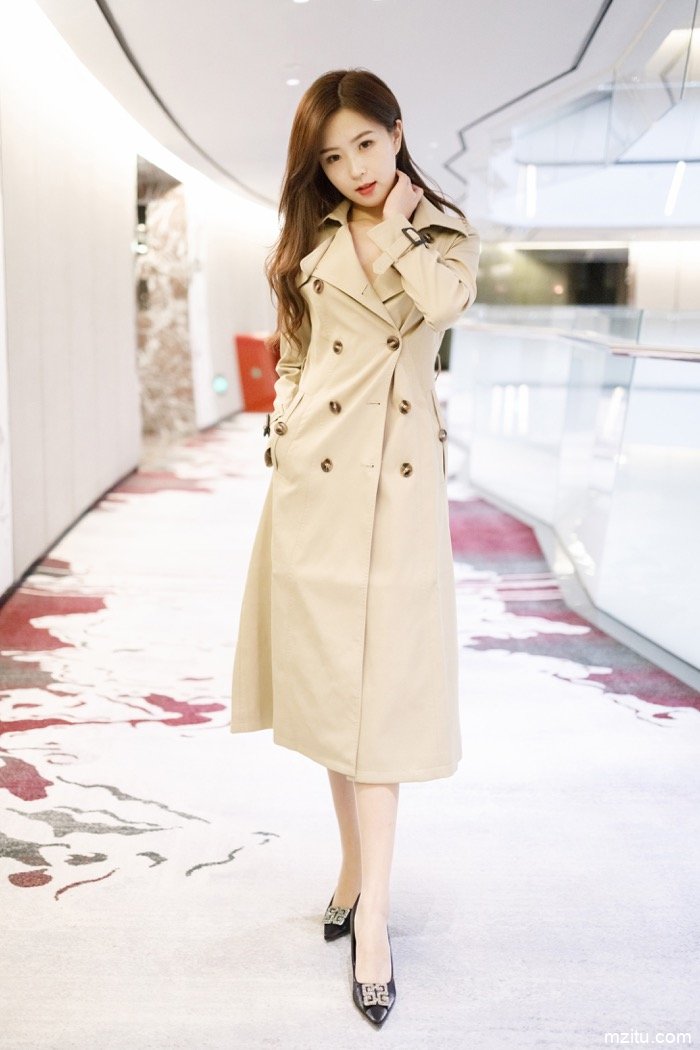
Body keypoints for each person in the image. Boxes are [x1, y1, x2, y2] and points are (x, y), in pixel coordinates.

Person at [230, 68, 480, 1027]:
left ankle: (373, 916)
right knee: (339, 690)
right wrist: (285, 431)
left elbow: (443, 308)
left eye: (365, 145)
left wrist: (400, 228)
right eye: (332, 158)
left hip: (398, 493)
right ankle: (351, 870)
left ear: (397, 133)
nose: (353, 170)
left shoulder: (443, 232)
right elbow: (295, 351)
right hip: (316, 487)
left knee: (382, 705)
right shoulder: (313, 238)